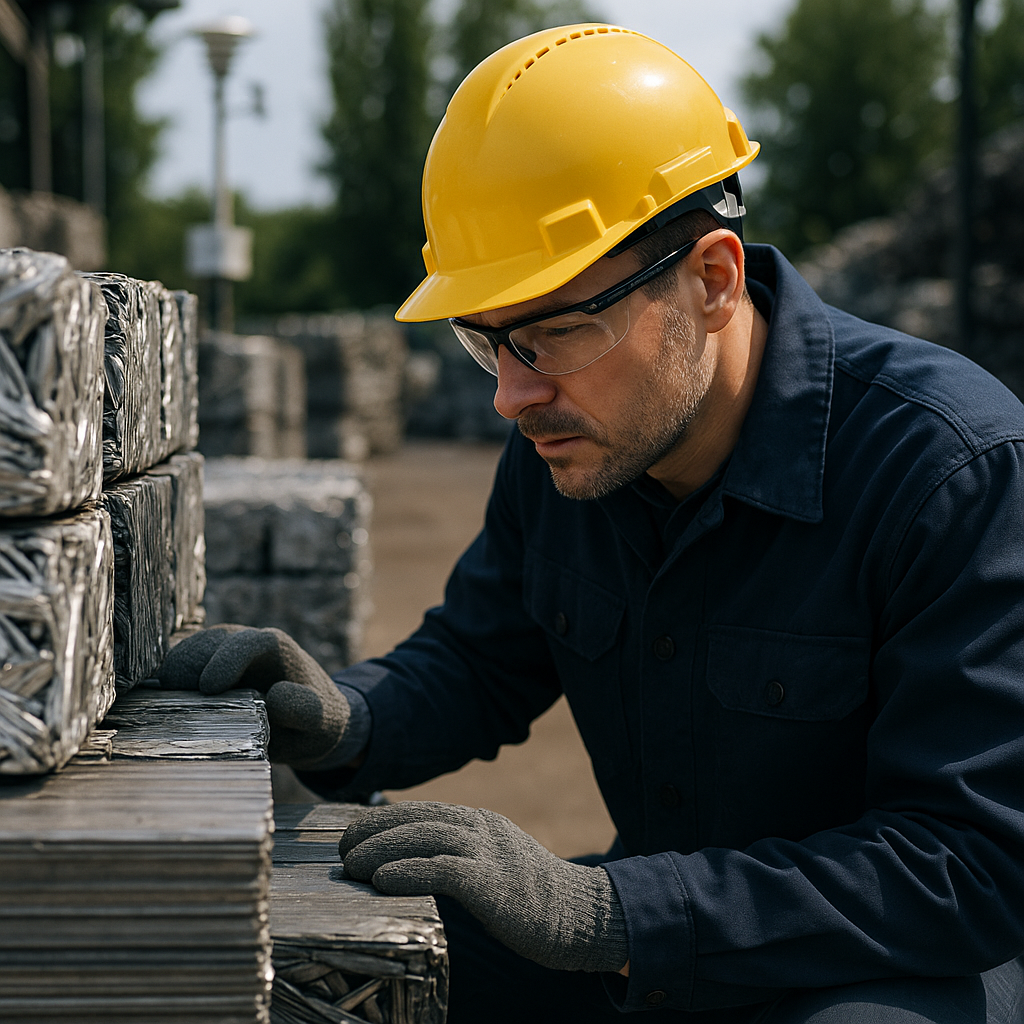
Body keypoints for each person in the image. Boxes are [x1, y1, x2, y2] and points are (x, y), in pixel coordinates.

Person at [158, 24, 1024, 1023]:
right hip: (662, 947)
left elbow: (971, 863)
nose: (512, 396)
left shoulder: (948, 470)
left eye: (557, 331)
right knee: (331, 957)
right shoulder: (575, 437)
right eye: (487, 342)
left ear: (712, 279)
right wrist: (343, 718)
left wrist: (606, 912)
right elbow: (480, 659)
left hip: (886, 966)